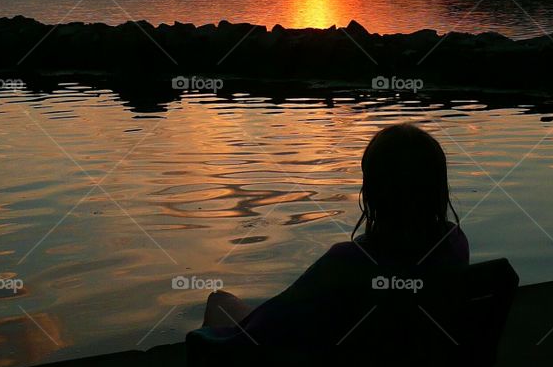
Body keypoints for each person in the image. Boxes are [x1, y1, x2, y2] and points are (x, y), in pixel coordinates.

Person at [195, 122, 470, 352]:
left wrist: (207, 338)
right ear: (438, 188)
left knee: (220, 302)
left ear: (372, 193)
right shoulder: (455, 244)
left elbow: (261, 331)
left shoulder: (346, 263)